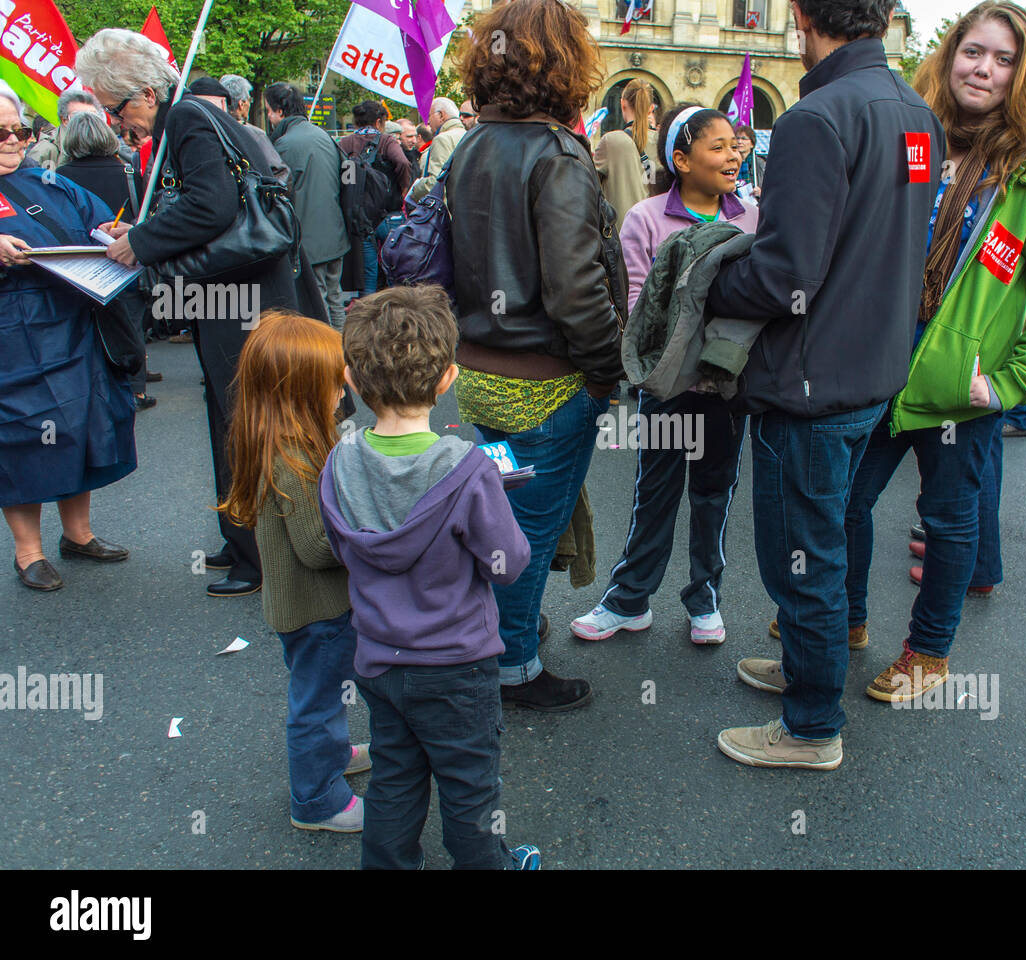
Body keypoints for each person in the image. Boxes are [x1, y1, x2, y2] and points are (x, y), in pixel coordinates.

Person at [705, 0, 944, 770]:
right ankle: (810, 674)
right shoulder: (915, 111)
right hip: (870, 372)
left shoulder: (818, 116)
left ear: (803, 14)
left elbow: (784, 274)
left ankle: (811, 726)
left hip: (807, 379)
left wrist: (709, 276)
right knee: (825, 542)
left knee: (799, 555)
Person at [838, 2, 1026, 708]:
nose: (984, 68)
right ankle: (846, 623)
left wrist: (1010, 384)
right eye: (973, 51)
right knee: (845, 504)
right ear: (950, 56)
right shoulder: (916, 139)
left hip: (961, 387)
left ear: (1025, 73)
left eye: (1004, 59)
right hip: (878, 363)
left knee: (949, 522)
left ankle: (930, 653)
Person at [78, 27, 329, 599]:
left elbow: (210, 206)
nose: (118, 124)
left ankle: (259, 553)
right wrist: (141, 232)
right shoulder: (190, 116)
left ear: (143, 92)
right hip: (240, 294)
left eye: (116, 109)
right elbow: (205, 204)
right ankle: (241, 539)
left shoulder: (185, 119)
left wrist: (140, 243)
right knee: (238, 419)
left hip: (238, 300)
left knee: (245, 423)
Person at [318, 286, 539, 870]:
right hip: (456, 665)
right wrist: (492, 504)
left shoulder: (338, 461)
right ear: (447, 379)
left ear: (352, 378)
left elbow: (344, 546)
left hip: (381, 660)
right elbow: (509, 562)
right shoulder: (467, 470)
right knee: (470, 792)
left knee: (394, 778)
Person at [446, 0, 625, 712]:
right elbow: (577, 291)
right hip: (547, 383)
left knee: (501, 516)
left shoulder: (471, 144)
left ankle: (500, 629)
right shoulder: (557, 155)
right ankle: (512, 665)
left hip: (481, 376)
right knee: (525, 529)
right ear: (564, 62)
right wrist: (608, 373)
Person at [571, 103, 756, 646]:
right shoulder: (646, 219)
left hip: (725, 392)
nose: (732, 155)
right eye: (717, 146)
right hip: (668, 392)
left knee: (713, 496)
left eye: (734, 145)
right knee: (654, 494)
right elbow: (636, 305)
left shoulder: (749, 217)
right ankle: (629, 600)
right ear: (681, 159)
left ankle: (705, 599)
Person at [218, 310, 369, 833]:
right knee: (316, 701)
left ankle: (332, 752)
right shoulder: (296, 458)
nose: (340, 392)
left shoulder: (275, 435)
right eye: (332, 383)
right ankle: (316, 799)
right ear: (301, 389)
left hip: (301, 608)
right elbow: (317, 547)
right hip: (318, 609)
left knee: (321, 693)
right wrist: (370, 533)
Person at [0, 80, 135, 592]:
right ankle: (27, 551)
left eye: (18, 130)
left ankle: (78, 534)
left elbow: (96, 220)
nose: (13, 140)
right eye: (1, 133)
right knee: (23, 438)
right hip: (14, 340)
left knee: (81, 425)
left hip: (76, 326)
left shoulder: (49, 181)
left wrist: (114, 232)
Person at [55, 110, 160, 411]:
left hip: (80, 265)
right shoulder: (127, 172)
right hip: (125, 261)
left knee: (88, 328)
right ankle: (137, 389)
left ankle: (97, 388)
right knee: (131, 325)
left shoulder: (60, 177)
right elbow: (143, 214)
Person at [265, 82, 350, 331]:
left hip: (308, 238)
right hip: (335, 232)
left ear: (280, 111)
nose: (269, 117)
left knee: (317, 300)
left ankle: (327, 359)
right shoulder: (324, 136)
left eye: (269, 111)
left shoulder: (284, 144)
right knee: (335, 295)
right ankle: (342, 351)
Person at [338, 100, 410, 294]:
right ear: (379, 122)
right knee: (397, 270)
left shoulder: (344, 143)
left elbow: (341, 176)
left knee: (368, 275)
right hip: (389, 214)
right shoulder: (386, 141)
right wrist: (403, 187)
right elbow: (403, 163)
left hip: (360, 218)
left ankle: (368, 317)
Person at [592, 79, 653, 230]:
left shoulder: (611, 141)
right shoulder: (663, 143)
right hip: (656, 238)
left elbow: (589, 189)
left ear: (622, 104)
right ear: (650, 109)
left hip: (621, 236)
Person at [219, 73, 290, 184]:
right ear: (241, 104)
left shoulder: (212, 129)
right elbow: (281, 173)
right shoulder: (255, 135)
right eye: (249, 100)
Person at [407, 97, 465, 201]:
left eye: (429, 116)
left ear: (441, 115)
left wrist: (415, 191)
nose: (428, 122)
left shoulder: (442, 139)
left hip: (446, 209)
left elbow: (435, 182)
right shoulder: (469, 134)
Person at [734, 123, 765, 199]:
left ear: (752, 144)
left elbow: (771, 187)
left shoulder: (760, 164)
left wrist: (761, 192)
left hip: (755, 204)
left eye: (744, 138)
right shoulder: (730, 162)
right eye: (737, 138)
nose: (739, 141)